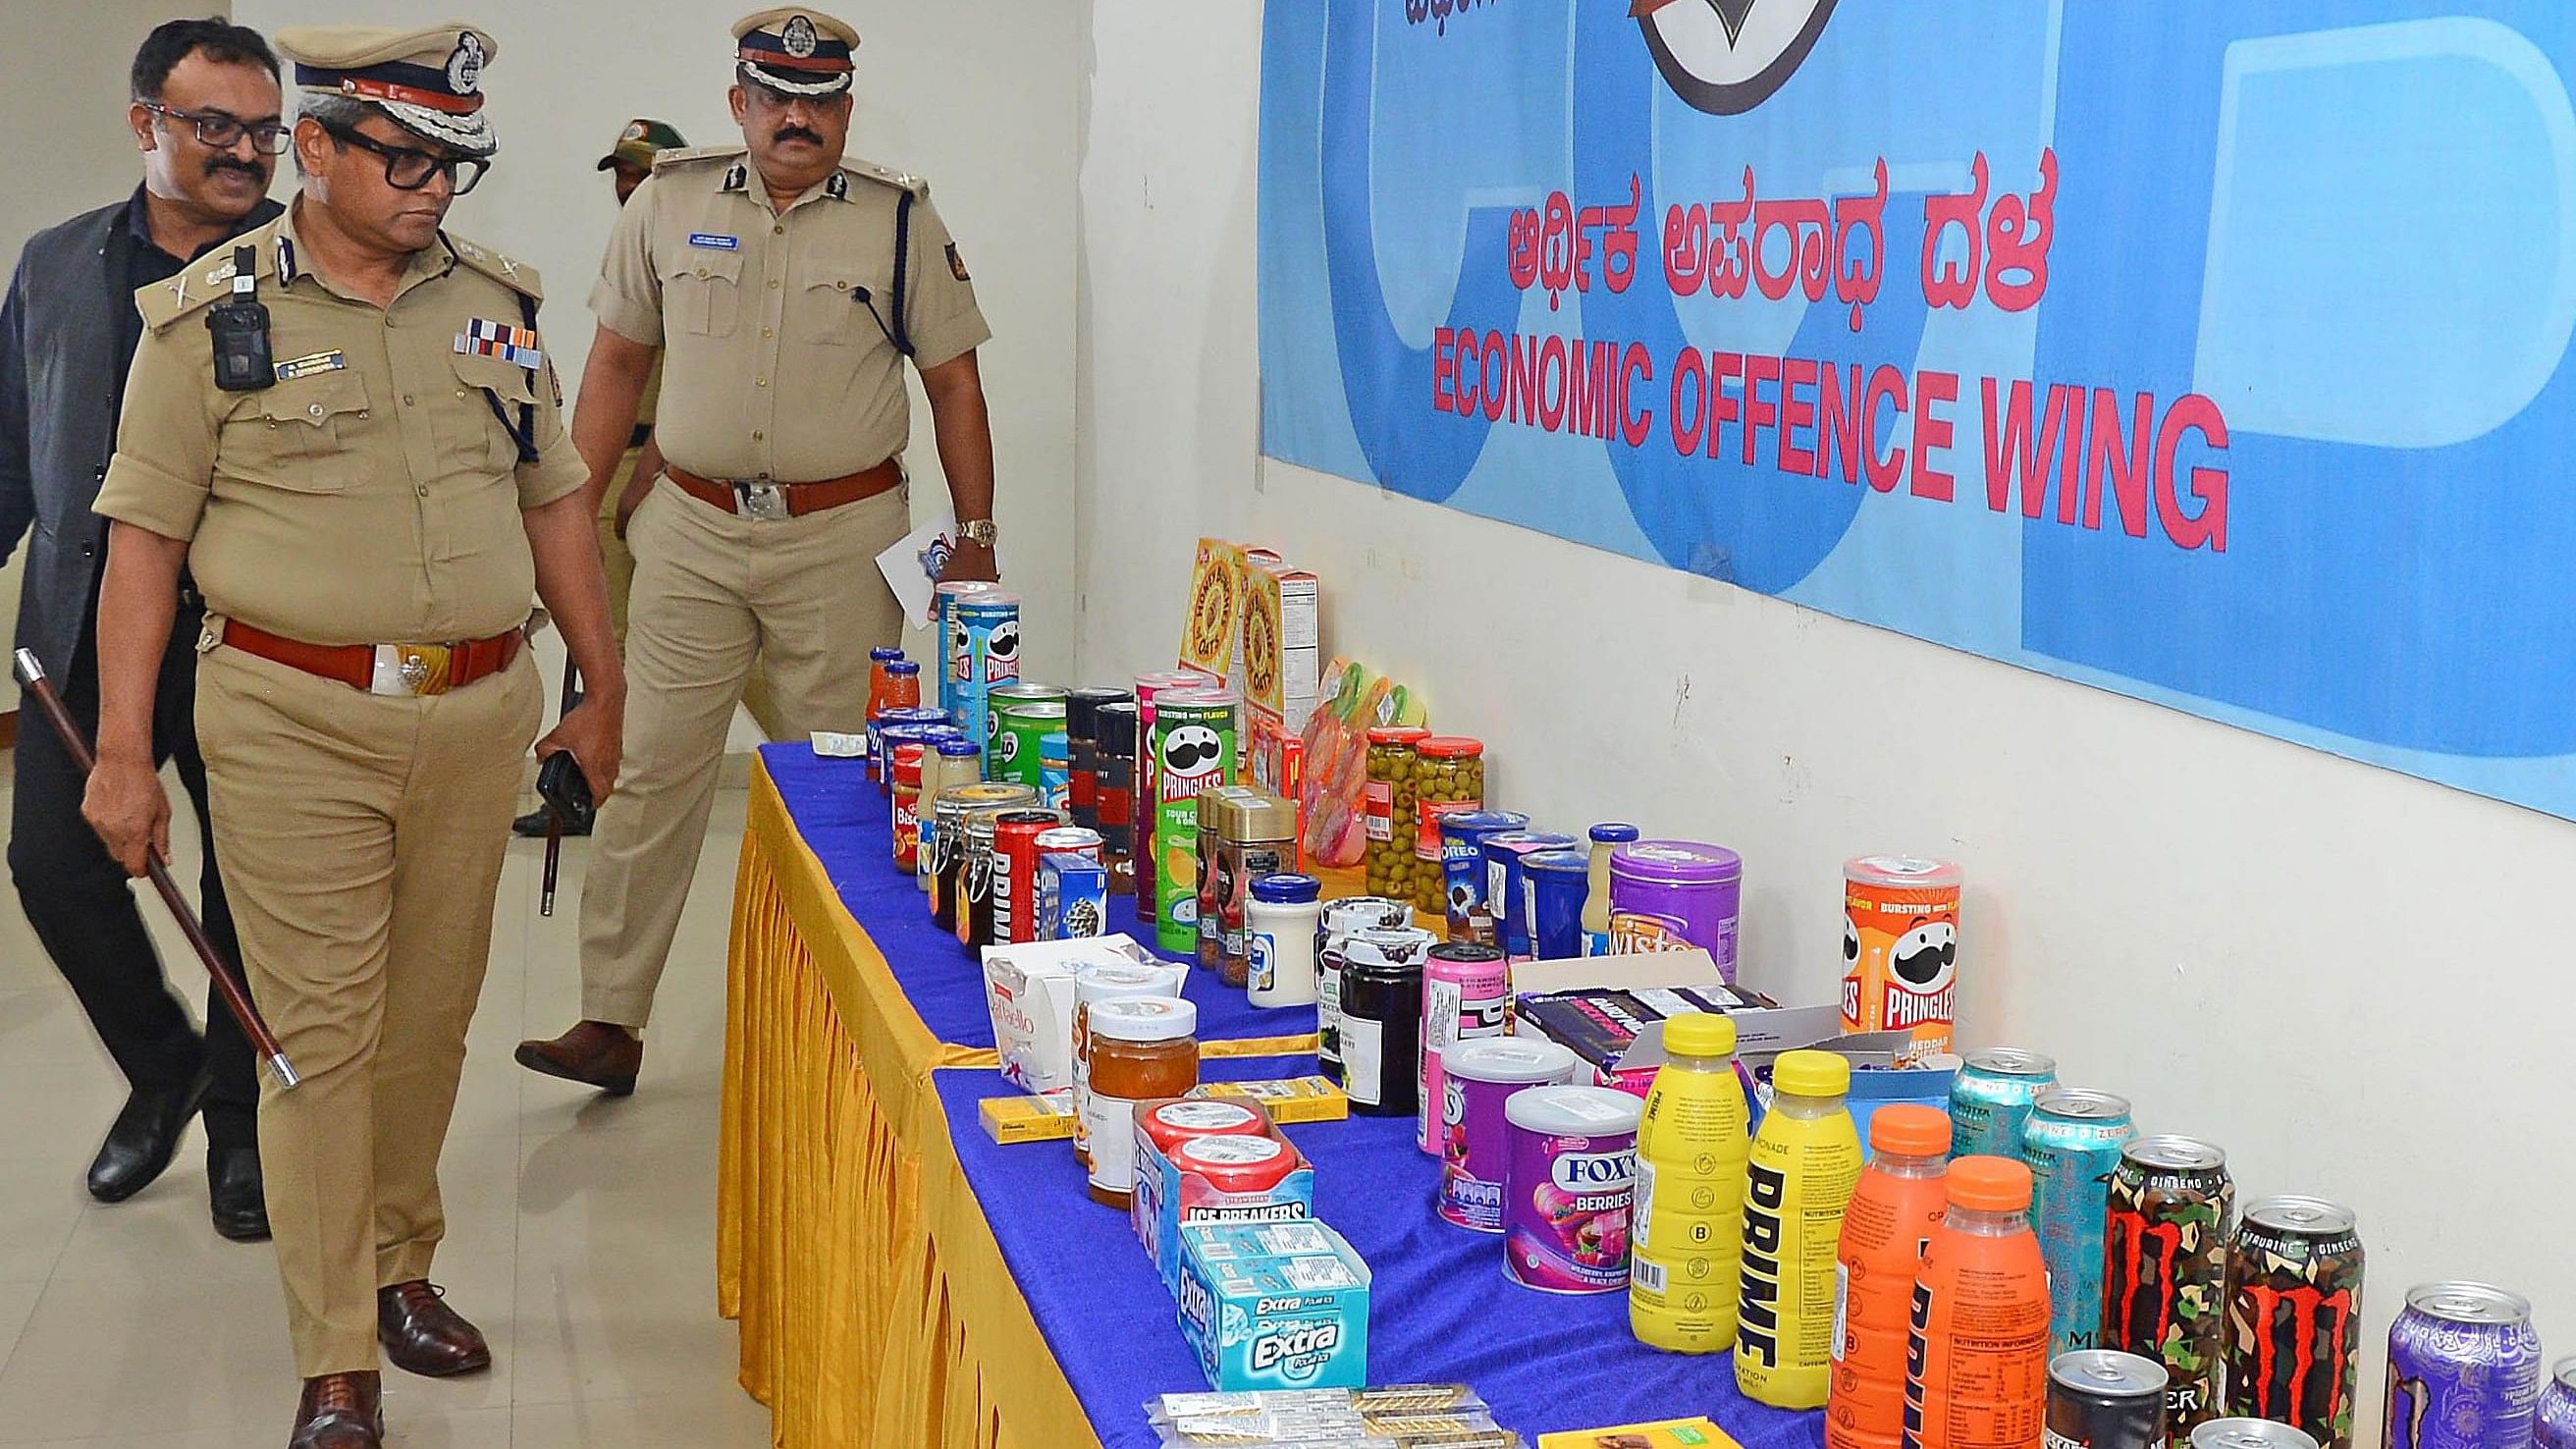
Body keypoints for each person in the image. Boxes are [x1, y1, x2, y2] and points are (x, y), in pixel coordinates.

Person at [82, 25, 621, 1448]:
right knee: (317, 1038)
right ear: (311, 150)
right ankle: (336, 1354)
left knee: (428, 1022)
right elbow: (143, 542)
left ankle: (398, 1266)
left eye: (455, 161)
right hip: (288, 718)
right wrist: (123, 753)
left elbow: (555, 496)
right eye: (402, 157)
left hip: (474, 714)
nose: (433, 187)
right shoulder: (208, 319)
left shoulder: (497, 305)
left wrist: (601, 684)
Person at [516, 6, 1000, 1094]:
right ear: (738, 104)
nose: (798, 116)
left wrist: (973, 540)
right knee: (645, 773)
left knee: (846, 784)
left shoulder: (897, 221)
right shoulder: (665, 201)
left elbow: (953, 385)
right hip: (686, 531)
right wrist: (573, 526)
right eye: (776, 97)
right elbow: (608, 369)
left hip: (842, 538)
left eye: (820, 98)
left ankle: (856, 1013)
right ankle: (611, 1018)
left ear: (843, 109)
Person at [0, 17, 285, 1241]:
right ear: (144, 126)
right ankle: (162, 1065)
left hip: (252, 629)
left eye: (263, 132)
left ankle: (237, 1127)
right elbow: (16, 448)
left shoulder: (304, 264)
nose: (243, 153)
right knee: (53, 870)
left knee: (246, 892)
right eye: (212, 126)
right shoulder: (58, 263)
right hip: (79, 625)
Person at [509, 116, 688, 839]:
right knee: (602, 637)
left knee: (642, 645)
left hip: (665, 470)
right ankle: (585, 794)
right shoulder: (633, 251)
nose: (627, 185)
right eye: (620, 171)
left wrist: (651, 472)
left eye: (641, 172)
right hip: (615, 465)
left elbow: (703, 390)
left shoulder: (691, 254)